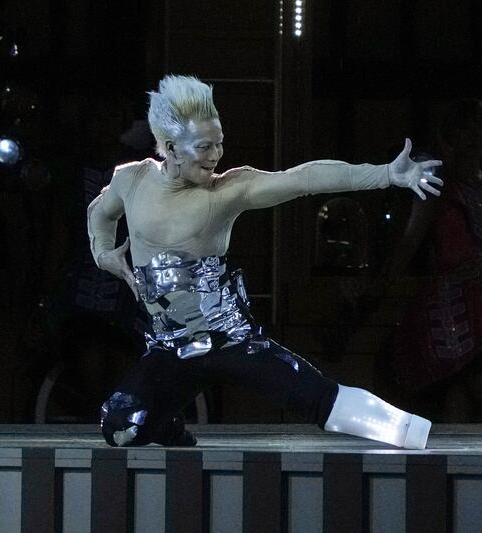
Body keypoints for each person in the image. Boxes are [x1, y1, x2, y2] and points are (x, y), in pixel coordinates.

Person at [86, 74, 442, 449]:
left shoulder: (228, 191)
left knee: (315, 398)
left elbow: (302, 178)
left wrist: (385, 174)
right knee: (119, 426)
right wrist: (103, 252)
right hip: (170, 346)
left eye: (219, 144)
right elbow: (100, 211)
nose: (216, 155)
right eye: (204, 147)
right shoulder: (131, 180)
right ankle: (166, 423)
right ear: (172, 149)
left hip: (229, 339)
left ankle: (410, 430)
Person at [372, 98, 482, 423]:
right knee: (459, 401)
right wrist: (378, 287)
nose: (473, 135)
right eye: (464, 127)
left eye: (479, 125)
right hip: (449, 306)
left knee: (479, 398)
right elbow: (409, 243)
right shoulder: (437, 185)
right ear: (450, 133)